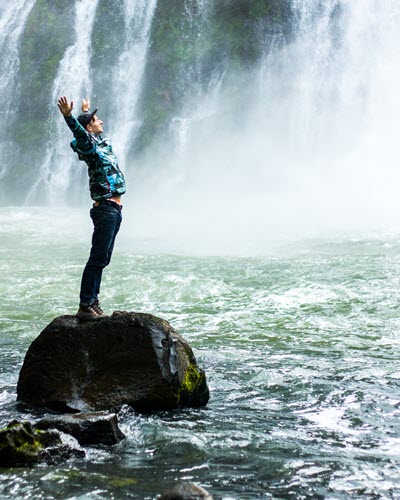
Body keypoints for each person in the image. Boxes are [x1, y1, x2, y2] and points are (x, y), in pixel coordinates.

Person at [57, 96, 126, 321]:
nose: (102, 122)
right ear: (89, 128)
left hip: (114, 210)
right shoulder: (90, 148)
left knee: (103, 258)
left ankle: (93, 301)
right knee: (97, 258)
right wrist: (69, 117)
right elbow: (81, 136)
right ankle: (85, 304)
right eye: (97, 120)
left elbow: (92, 135)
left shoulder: (101, 145)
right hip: (105, 209)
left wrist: (86, 113)